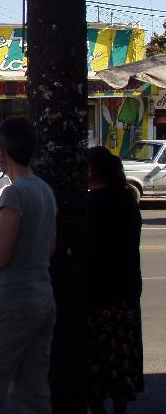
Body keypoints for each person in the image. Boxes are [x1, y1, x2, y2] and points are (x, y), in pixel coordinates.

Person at [0, 117, 57, 413]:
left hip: (12, 302)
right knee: (34, 390)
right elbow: (51, 246)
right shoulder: (44, 190)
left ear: (2, 151)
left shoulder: (14, 194)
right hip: (43, 297)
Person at [86, 146, 143, 414]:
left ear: (91, 172)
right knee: (122, 361)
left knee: (95, 364)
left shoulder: (90, 205)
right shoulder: (127, 201)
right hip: (126, 290)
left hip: (98, 294)